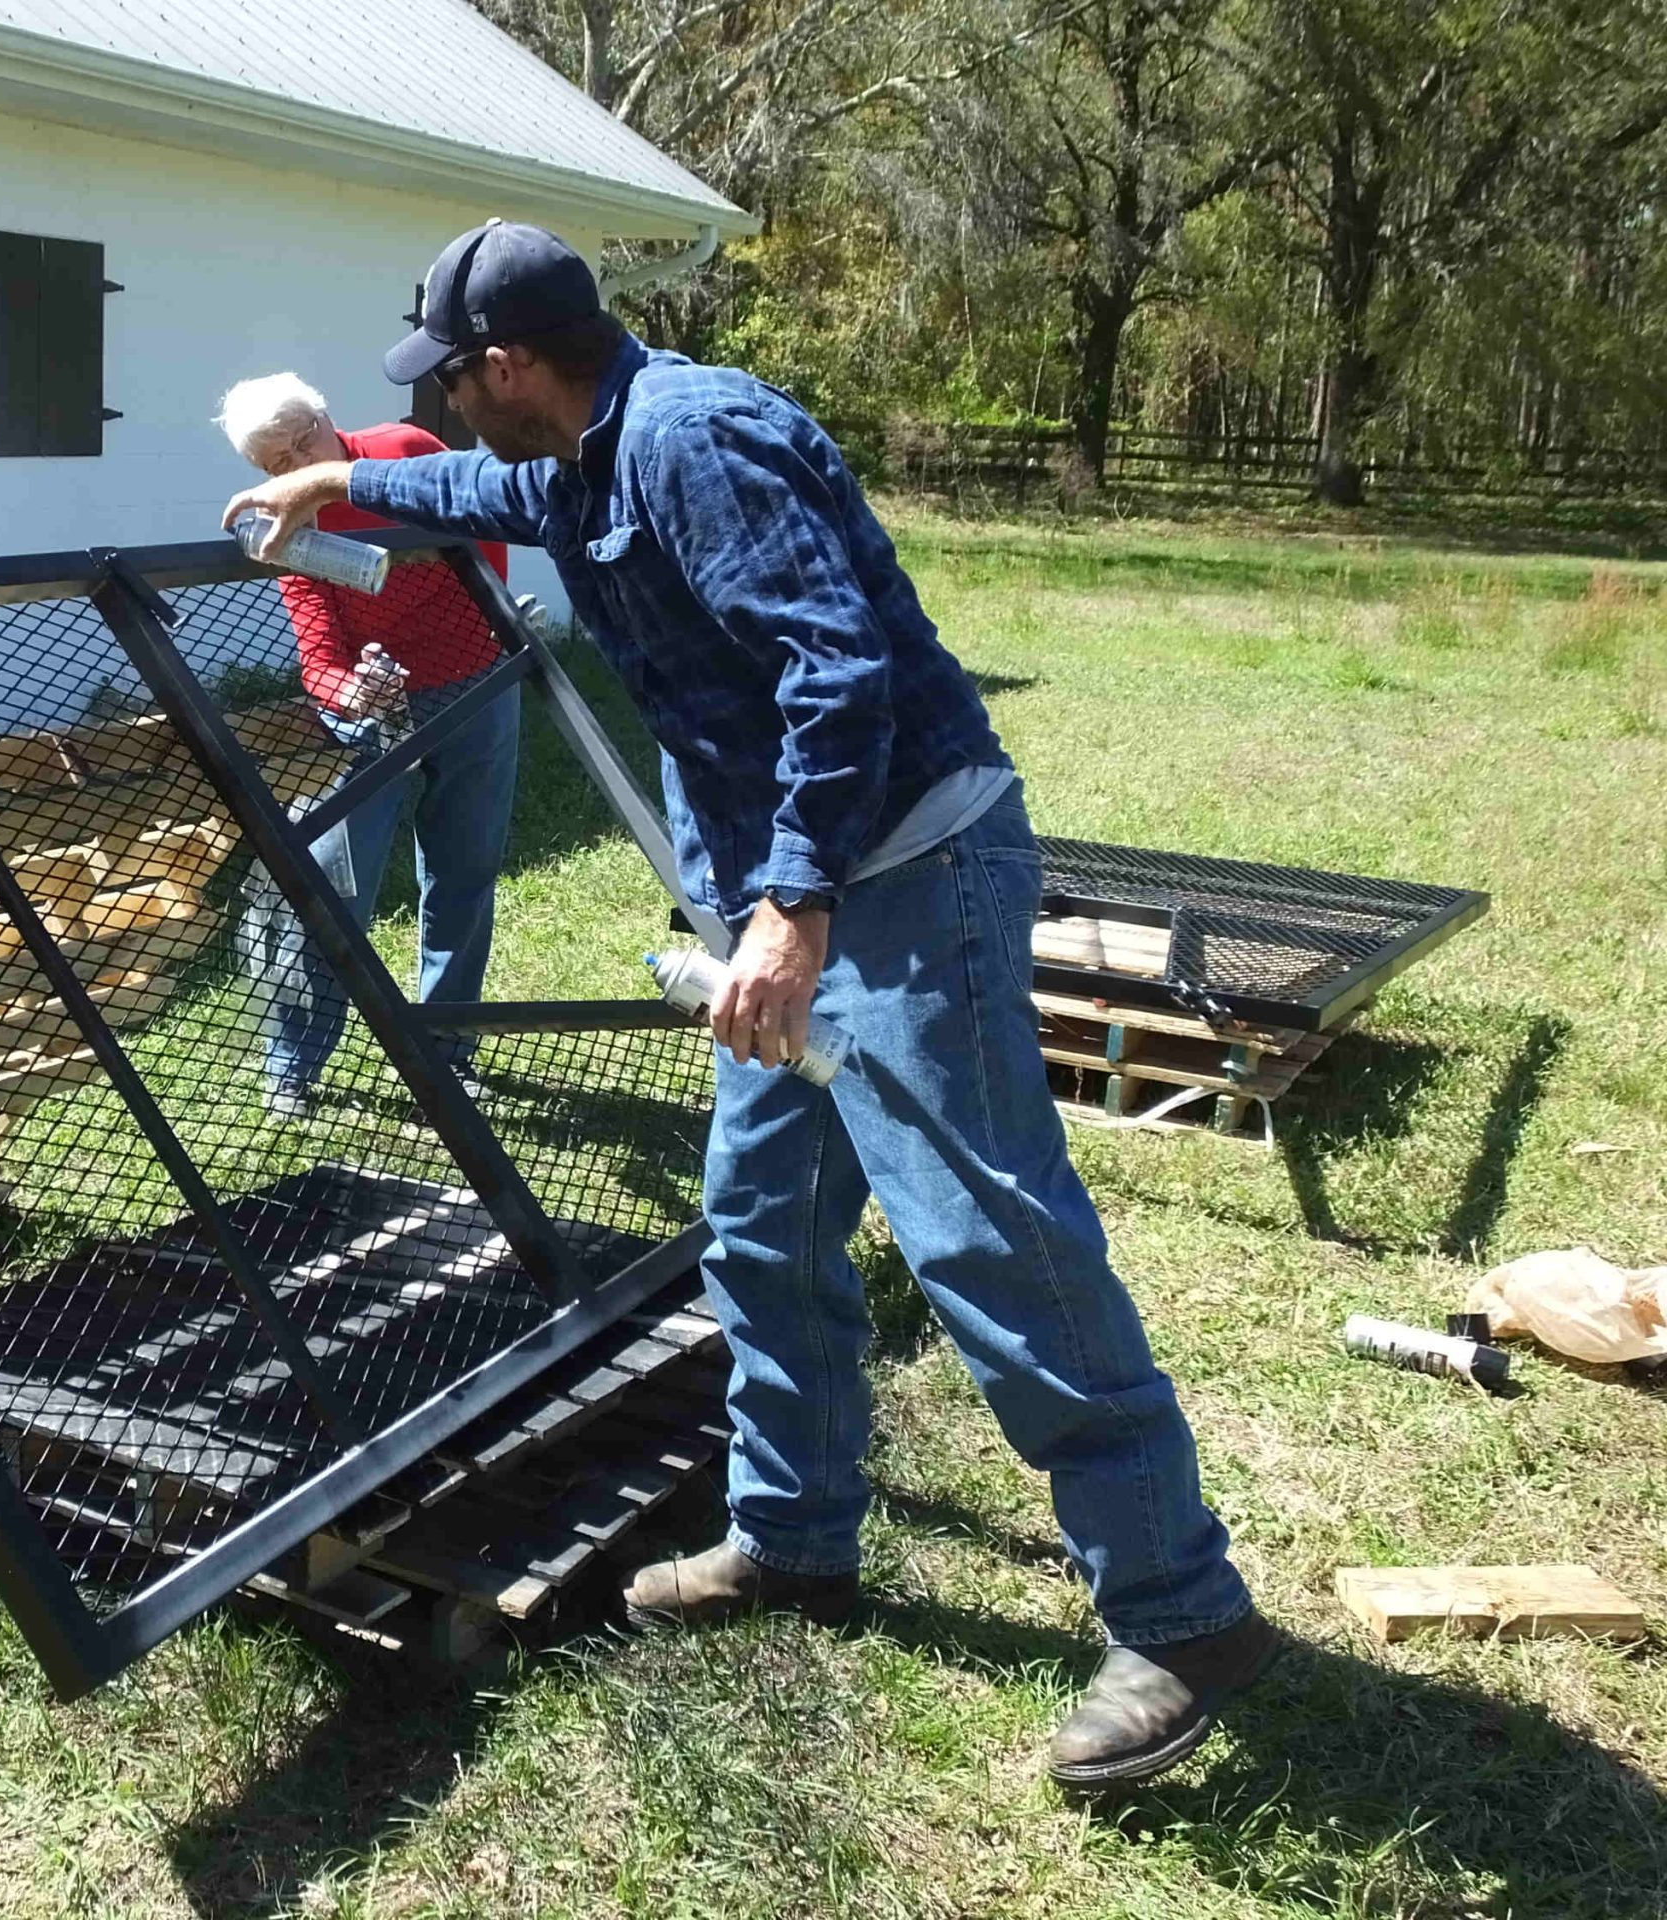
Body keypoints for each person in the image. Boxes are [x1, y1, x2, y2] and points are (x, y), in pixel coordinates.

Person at [222, 224, 1273, 1787]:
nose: (434, 411)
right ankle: (794, 1539)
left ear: (508, 363)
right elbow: (494, 495)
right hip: (790, 902)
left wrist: (790, 908)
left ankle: (1182, 1610)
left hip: (898, 878)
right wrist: (341, 488)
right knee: (763, 1228)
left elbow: (833, 674)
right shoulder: (587, 452)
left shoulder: (697, 439)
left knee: (990, 1231)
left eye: (445, 382)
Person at [215, 373, 523, 1117]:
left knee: (463, 873)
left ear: (327, 417)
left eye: (303, 441)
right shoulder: (288, 528)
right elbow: (318, 657)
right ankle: (292, 1064)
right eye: (275, 462)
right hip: (375, 711)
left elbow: (484, 552)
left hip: (476, 687)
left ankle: (448, 1052)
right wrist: (354, 693)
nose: (296, 467)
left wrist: (486, 639)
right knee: (328, 888)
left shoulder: (405, 452)